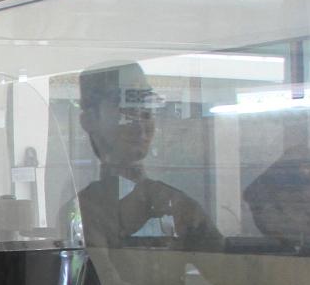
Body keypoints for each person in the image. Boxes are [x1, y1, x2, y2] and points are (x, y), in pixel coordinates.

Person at [66, 61, 223, 251]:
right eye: (126, 113)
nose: (140, 127)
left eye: (146, 113)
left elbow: (222, 264)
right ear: (89, 120)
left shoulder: (175, 204)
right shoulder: (84, 210)